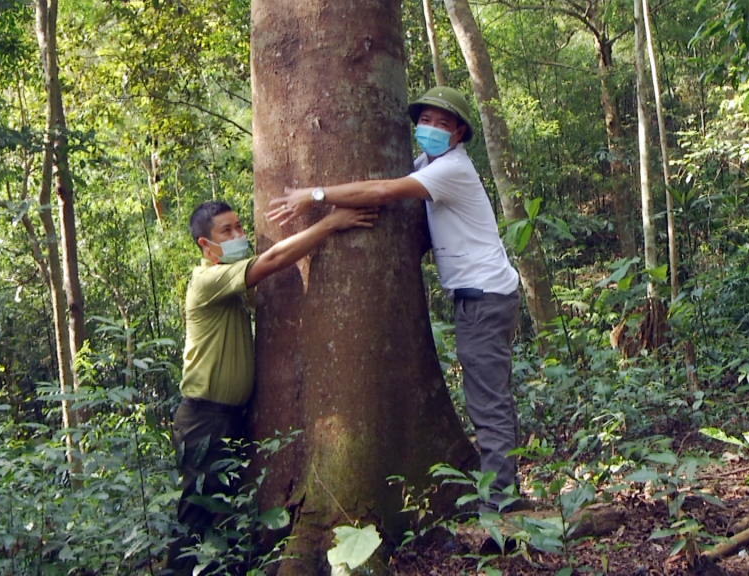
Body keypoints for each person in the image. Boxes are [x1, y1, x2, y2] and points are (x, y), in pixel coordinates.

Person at [267, 86, 522, 513]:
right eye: (425, 121)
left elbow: (384, 190)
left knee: (487, 399)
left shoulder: (451, 170)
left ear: (459, 133)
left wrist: (314, 195)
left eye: (443, 124)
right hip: (481, 295)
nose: (432, 129)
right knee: (489, 394)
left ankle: (501, 503)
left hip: (485, 297)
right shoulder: (430, 163)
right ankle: (501, 491)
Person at [171, 200, 376, 569]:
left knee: (227, 511)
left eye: (239, 227)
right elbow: (270, 262)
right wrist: (330, 223)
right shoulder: (207, 280)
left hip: (231, 417)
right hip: (204, 419)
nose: (239, 235)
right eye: (227, 231)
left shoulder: (231, 281)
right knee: (196, 516)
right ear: (205, 245)